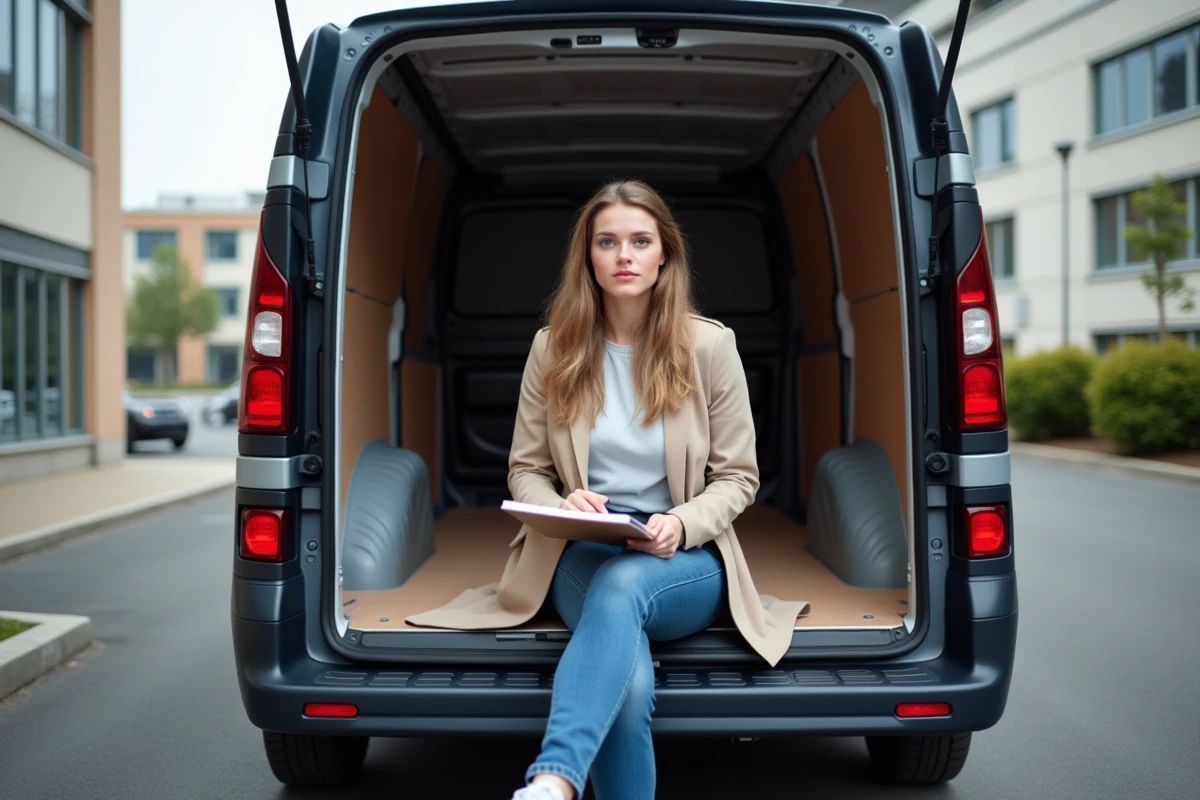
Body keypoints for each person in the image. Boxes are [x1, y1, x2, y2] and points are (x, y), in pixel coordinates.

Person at [404, 179, 808, 800]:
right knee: (631, 686)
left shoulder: (709, 345)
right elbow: (525, 470)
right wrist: (560, 505)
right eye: (608, 241)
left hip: (683, 552)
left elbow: (738, 477)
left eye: (640, 241)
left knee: (623, 588)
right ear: (588, 258)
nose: (624, 255)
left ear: (664, 255)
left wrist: (682, 523)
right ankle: (558, 781)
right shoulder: (553, 347)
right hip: (584, 546)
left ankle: (555, 777)